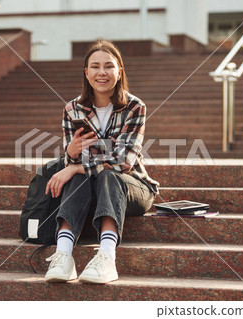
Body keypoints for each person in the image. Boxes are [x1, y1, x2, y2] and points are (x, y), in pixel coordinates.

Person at [44, 39, 159, 284]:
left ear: (119, 71)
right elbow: (78, 158)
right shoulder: (72, 109)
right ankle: (63, 255)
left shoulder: (135, 107)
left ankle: (107, 258)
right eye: (95, 67)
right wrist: (72, 153)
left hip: (133, 188)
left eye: (109, 66)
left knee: (106, 175)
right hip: (91, 190)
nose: (102, 72)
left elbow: (123, 161)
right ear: (86, 73)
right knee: (78, 177)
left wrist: (75, 165)